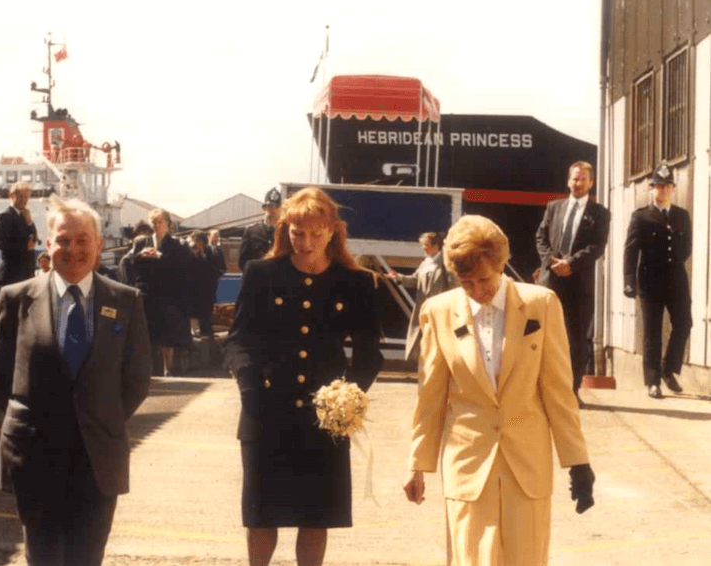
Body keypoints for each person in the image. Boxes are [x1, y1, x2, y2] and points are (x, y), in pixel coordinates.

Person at [403, 215, 594, 566]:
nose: (477, 291)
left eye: (484, 279)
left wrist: (578, 462)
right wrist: (418, 464)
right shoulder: (438, 312)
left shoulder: (542, 304)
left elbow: (558, 391)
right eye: (466, 283)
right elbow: (431, 394)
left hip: (527, 466)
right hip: (467, 464)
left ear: (501, 263)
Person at [0, 197, 152, 566]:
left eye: (82, 240)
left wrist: (96, 417)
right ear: (48, 245)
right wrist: (41, 419)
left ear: (99, 244)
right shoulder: (16, 299)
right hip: (34, 453)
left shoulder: (127, 301)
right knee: (42, 556)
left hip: (98, 455)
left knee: (87, 557)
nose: (72, 250)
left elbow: (137, 379)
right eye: (62, 240)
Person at [224, 187, 383, 566]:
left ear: (333, 231)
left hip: (325, 417)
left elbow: (368, 353)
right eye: (297, 233)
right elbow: (238, 340)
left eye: (316, 233)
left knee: (316, 515)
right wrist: (249, 388)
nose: (306, 243)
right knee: (262, 514)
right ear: (284, 231)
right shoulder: (261, 273)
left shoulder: (356, 281)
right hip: (266, 409)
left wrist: (350, 397)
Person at [535, 161, 611, 404]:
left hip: (579, 283)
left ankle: (572, 391)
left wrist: (572, 263)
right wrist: (551, 262)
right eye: (574, 179)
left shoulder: (600, 213)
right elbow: (541, 237)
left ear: (591, 182)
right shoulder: (553, 208)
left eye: (582, 179)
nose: (577, 183)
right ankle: (541, 389)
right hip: (551, 281)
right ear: (568, 181)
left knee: (576, 339)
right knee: (544, 335)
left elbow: (597, 245)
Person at [623, 164, 692, 399]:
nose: (663, 190)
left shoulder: (682, 215)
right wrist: (629, 280)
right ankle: (653, 381)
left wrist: (672, 264)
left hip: (676, 279)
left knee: (684, 323)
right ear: (652, 188)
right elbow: (630, 251)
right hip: (650, 279)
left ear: (672, 189)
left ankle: (668, 368)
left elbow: (687, 247)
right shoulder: (641, 216)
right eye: (659, 186)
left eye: (667, 186)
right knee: (652, 332)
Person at [128, 208, 192, 375]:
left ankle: (168, 368)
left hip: (167, 294)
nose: (157, 225)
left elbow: (182, 267)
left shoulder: (175, 244)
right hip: (147, 293)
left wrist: (160, 257)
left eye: (160, 222)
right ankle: (147, 369)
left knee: (166, 333)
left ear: (168, 224)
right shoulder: (142, 243)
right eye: (154, 222)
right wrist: (141, 255)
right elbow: (132, 264)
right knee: (147, 331)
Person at [387, 231, 457, 366]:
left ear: (436, 246)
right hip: (423, 309)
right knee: (424, 339)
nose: (423, 248)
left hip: (439, 309)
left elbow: (453, 286)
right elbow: (414, 280)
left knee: (439, 339)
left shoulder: (446, 262)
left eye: (425, 245)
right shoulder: (425, 263)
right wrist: (398, 277)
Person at [0, 181, 38, 289]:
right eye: (21, 196)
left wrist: (29, 222)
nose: (24, 200)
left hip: (26, 273)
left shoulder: (25, 216)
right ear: (11, 196)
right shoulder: (5, 216)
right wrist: (26, 246)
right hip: (12, 274)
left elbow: (35, 238)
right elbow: (1, 244)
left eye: (26, 197)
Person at [188, 230, 226, 338]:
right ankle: (194, 334)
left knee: (206, 315)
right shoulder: (188, 253)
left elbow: (221, 268)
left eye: (200, 243)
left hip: (208, 289)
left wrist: (212, 277)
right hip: (193, 289)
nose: (198, 246)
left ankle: (206, 334)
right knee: (192, 315)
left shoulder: (213, 252)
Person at [239, 187, 281, 270]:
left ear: (280, 210)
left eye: (275, 207)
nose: (272, 210)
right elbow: (242, 262)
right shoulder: (251, 232)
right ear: (264, 209)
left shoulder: (284, 232)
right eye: (269, 207)